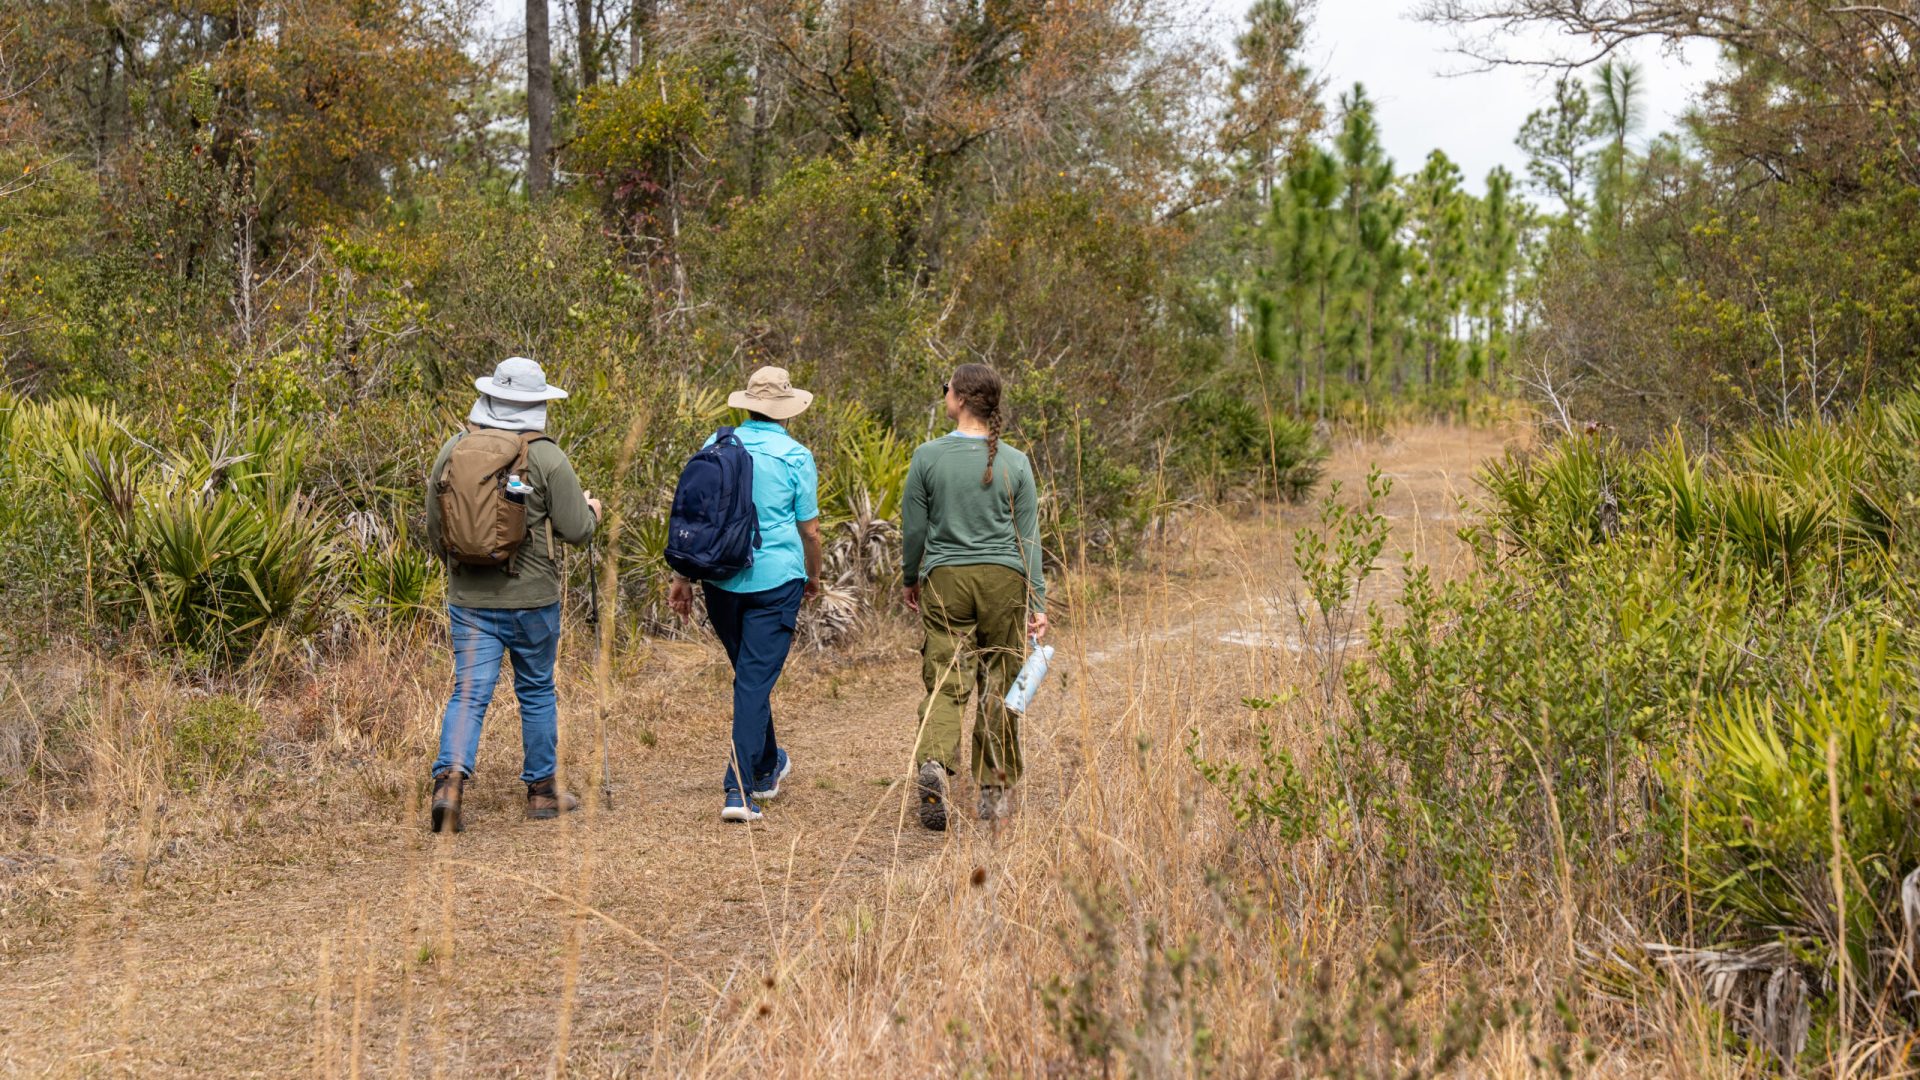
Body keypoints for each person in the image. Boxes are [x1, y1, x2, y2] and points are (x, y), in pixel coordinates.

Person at [425, 356, 602, 833]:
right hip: (533, 599)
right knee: (537, 690)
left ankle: (448, 786)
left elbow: (433, 527)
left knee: (469, 693)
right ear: (537, 403)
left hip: (469, 600)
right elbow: (577, 530)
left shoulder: (453, 449)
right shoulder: (547, 456)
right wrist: (593, 510)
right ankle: (543, 792)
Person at [668, 366, 825, 823]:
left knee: (750, 678)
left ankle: (766, 765)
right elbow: (810, 531)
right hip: (777, 582)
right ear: (786, 411)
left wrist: (682, 577)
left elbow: (695, 518)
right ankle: (737, 790)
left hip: (721, 581)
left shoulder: (716, 447)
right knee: (754, 681)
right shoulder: (795, 455)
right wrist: (813, 576)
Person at [901, 363, 1047, 830]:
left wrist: (911, 577)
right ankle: (993, 790)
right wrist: (1038, 601)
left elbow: (914, 531)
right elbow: (1029, 539)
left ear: (960, 399)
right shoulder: (1017, 462)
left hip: (946, 578)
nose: (943, 394)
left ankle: (935, 765)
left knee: (946, 676)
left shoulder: (927, 457)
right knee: (1001, 681)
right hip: (1005, 580)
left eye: (946, 389)